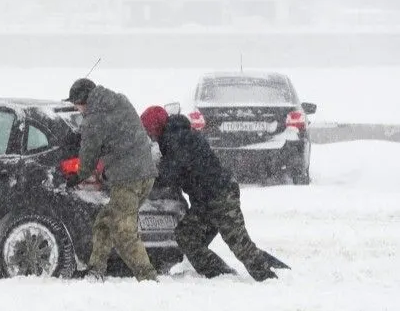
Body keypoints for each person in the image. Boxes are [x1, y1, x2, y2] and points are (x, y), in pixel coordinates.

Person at [140, 105, 289, 282]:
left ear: (155, 127)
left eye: (148, 131)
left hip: (220, 195)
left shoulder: (177, 139)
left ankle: (272, 278)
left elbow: (170, 173)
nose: (149, 136)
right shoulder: (176, 135)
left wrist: (146, 176)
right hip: (205, 200)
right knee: (187, 236)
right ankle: (221, 273)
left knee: (239, 243)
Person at [64, 78, 159, 282]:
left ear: (83, 100)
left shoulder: (94, 118)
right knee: (105, 221)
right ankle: (96, 270)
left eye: (76, 105)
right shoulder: (120, 101)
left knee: (123, 232)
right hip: (147, 174)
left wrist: (78, 175)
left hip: (128, 179)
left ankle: (149, 280)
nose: (77, 109)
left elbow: (88, 153)